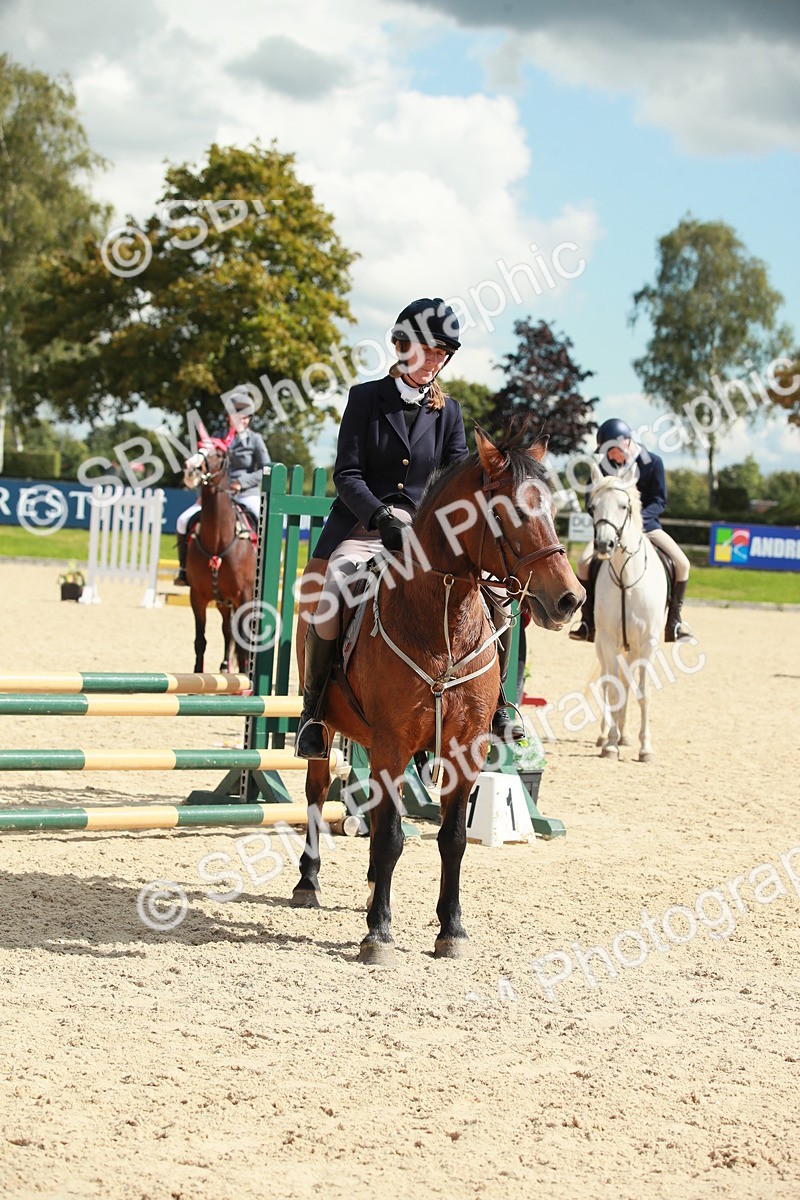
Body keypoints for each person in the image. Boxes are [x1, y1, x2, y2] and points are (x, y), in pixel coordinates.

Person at [296, 297, 524, 759]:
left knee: (497, 605)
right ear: (401, 346)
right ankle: (315, 713)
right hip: (364, 530)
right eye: (427, 350)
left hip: (426, 542)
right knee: (333, 591)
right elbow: (347, 475)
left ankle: (501, 705)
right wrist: (381, 517)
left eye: (442, 354)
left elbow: (456, 480)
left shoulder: (450, 412)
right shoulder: (365, 399)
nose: (434, 362)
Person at [569, 417, 692, 643]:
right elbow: (590, 499)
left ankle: (674, 621)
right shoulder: (604, 466)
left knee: (683, 564)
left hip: (648, 528)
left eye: (612, 451)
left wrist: (636, 521)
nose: (610, 457)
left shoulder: (653, 463)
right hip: (611, 531)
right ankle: (588, 622)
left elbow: (659, 500)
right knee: (583, 563)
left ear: (626, 442)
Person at [173, 395, 271, 585]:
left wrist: (242, 482)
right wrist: (202, 495)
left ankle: (265, 570)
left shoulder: (255, 440)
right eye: (239, 416)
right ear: (228, 417)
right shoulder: (216, 437)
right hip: (216, 496)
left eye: (246, 417)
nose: (243, 420)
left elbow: (266, 470)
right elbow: (206, 467)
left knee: (264, 522)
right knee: (183, 521)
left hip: (245, 494)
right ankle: (184, 570)